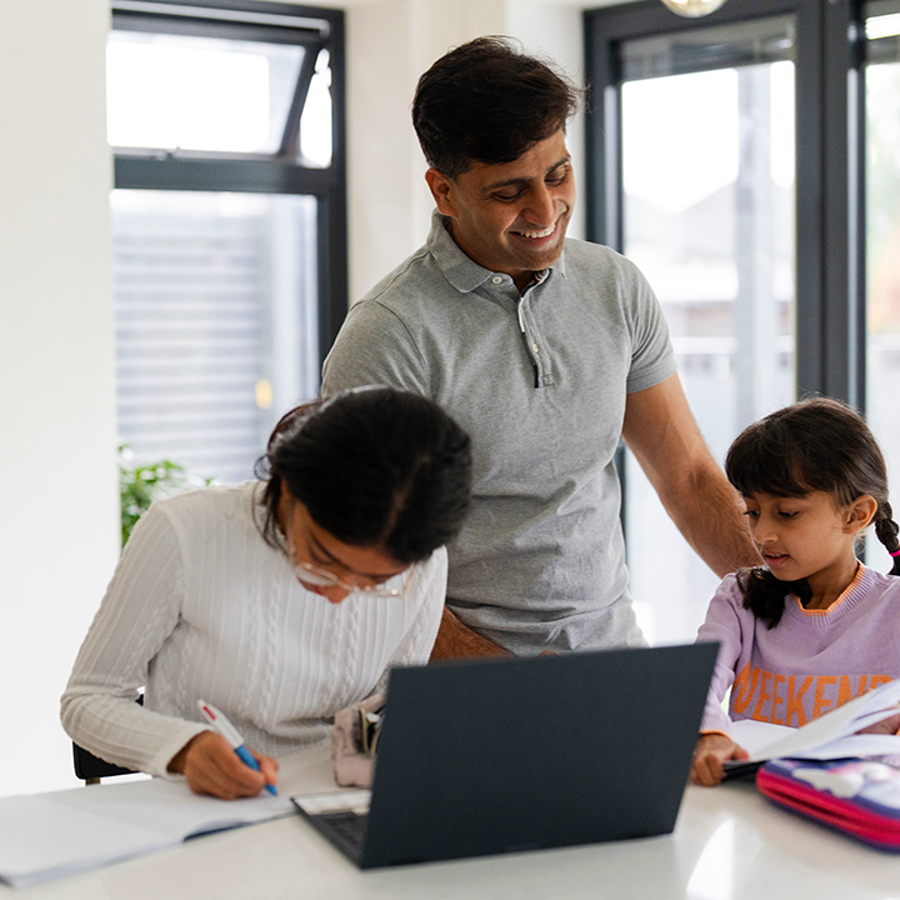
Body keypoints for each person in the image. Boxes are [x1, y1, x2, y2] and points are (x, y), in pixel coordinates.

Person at [321, 36, 758, 659]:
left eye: (558, 174)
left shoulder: (615, 286)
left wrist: (790, 603)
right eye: (509, 192)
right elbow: (363, 568)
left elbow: (687, 477)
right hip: (460, 682)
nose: (546, 208)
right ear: (443, 191)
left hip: (613, 658)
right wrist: (509, 687)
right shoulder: (389, 335)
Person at [61, 387, 472, 800]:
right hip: (203, 807)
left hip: (336, 807)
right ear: (289, 489)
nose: (338, 595)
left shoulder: (425, 560)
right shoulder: (184, 532)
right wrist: (184, 749)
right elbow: (88, 699)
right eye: (323, 558)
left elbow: (386, 712)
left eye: (374, 583)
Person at [691, 397, 900, 786]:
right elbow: (696, 682)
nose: (762, 534)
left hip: (855, 818)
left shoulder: (894, 608)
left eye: (787, 513)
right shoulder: (738, 599)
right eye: (752, 511)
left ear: (857, 514)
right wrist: (710, 735)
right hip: (756, 815)